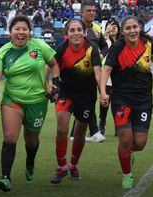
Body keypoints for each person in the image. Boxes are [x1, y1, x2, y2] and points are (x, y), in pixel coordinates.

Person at [0, 15, 60, 192]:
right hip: (12, 100)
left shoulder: (39, 46)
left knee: (32, 141)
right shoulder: (4, 51)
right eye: (17, 29)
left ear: (29, 32)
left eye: (24, 29)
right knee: (10, 137)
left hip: (37, 101)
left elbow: (54, 64)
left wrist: (56, 85)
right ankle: (5, 177)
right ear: (10, 32)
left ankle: (30, 163)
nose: (21, 32)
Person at [99, 16, 153, 189]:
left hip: (144, 100)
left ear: (140, 28)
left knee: (139, 143)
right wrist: (102, 92)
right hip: (121, 99)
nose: (132, 31)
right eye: (128, 28)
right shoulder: (117, 47)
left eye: (134, 27)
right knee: (125, 139)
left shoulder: (149, 44)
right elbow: (105, 70)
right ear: (123, 32)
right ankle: (127, 174)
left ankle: (127, 153)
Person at [50, 19, 101, 184]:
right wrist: (48, 86)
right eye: (72, 30)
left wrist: (104, 93)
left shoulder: (92, 48)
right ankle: (62, 166)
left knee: (80, 133)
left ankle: (73, 165)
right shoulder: (61, 49)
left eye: (79, 29)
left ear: (84, 32)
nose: (76, 33)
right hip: (66, 93)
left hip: (87, 96)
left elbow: (98, 73)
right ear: (67, 34)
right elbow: (49, 67)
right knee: (61, 127)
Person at [70, 0, 107, 143]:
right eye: (88, 11)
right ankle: (94, 131)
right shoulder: (75, 27)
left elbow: (104, 46)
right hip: (79, 71)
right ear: (81, 13)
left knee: (87, 101)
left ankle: (76, 132)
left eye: (93, 11)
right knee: (87, 100)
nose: (92, 13)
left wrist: (100, 55)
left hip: (94, 70)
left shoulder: (96, 30)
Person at [99, 19, 121, 136]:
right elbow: (96, 46)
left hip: (118, 77)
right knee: (104, 102)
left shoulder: (122, 41)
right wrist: (105, 33)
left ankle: (118, 125)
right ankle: (102, 124)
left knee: (117, 103)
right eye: (110, 26)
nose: (113, 28)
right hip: (106, 76)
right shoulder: (104, 41)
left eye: (115, 26)